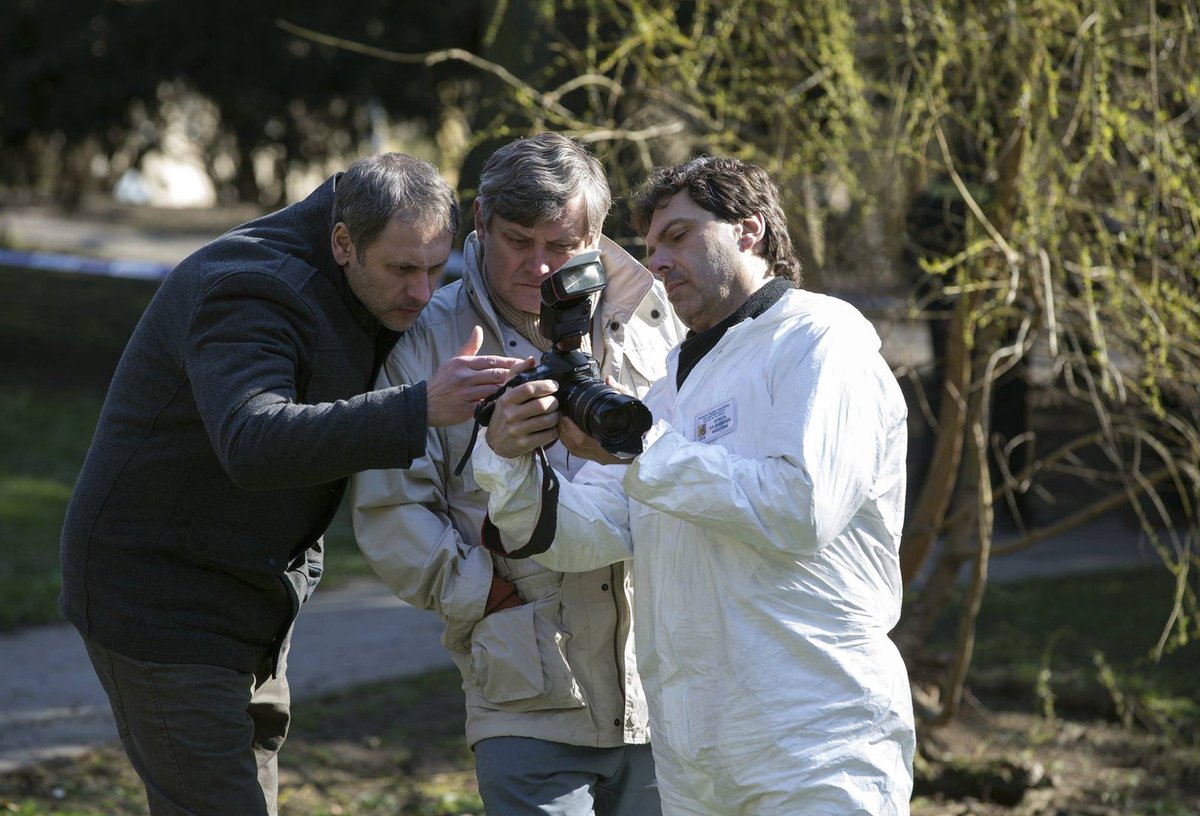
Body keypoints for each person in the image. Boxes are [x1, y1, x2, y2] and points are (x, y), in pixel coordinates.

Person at [59, 153, 521, 816]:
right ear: (342, 242)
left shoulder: (363, 282)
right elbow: (253, 441)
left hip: (252, 604)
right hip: (158, 603)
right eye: (401, 269)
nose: (422, 294)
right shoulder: (249, 287)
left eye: (434, 268)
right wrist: (419, 407)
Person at [472, 155, 916, 814]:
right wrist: (507, 456)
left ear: (750, 230)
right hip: (695, 765)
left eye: (678, 235)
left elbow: (801, 510)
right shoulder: (673, 382)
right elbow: (579, 536)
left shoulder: (820, 340)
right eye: (650, 247)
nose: (657, 261)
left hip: (816, 746)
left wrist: (639, 446)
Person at [351, 133, 683, 814]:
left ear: (596, 236)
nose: (538, 266)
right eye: (517, 240)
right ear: (479, 222)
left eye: (561, 246)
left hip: (667, 692)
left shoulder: (656, 319)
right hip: (526, 697)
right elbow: (390, 511)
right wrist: (485, 598)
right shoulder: (427, 340)